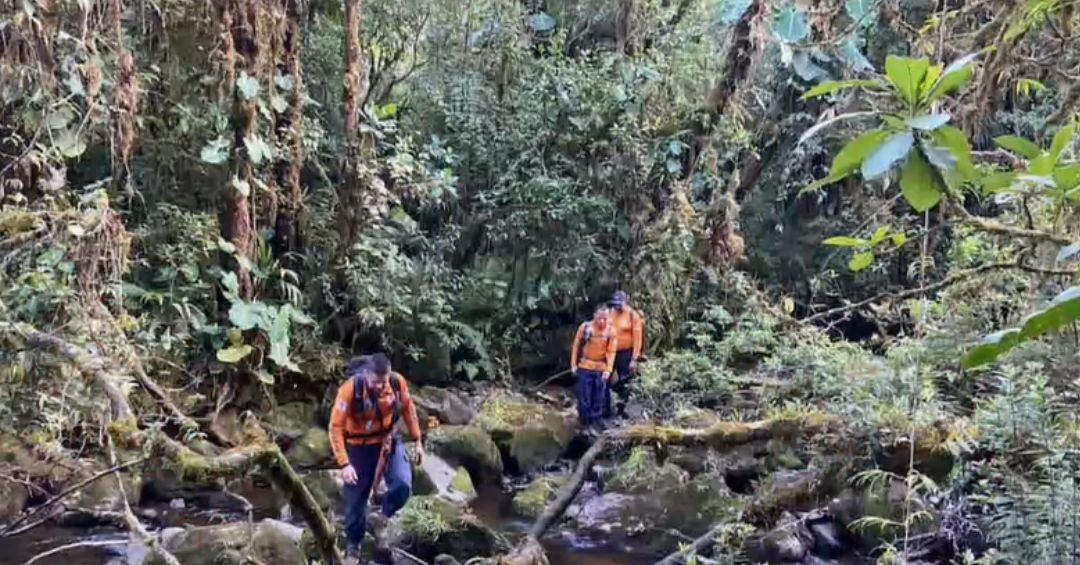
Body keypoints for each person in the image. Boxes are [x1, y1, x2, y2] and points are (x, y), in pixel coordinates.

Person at [329, 353, 424, 564]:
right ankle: (354, 547)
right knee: (355, 502)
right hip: (358, 448)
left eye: (384, 382)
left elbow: (408, 409)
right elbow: (335, 428)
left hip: (388, 441)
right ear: (367, 375)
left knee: (402, 484)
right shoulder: (349, 390)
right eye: (376, 382)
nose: (381, 386)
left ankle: (382, 517)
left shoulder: (397, 383)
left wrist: (418, 440)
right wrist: (344, 464)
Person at [570, 305, 617, 428]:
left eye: (605, 318)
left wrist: (608, 369)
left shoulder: (610, 331)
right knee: (584, 397)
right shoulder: (585, 328)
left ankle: (594, 424)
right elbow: (576, 346)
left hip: (601, 368)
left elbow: (612, 351)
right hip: (585, 366)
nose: (602, 321)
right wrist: (573, 364)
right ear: (594, 315)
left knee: (598, 398)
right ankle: (584, 422)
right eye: (600, 318)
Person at [606, 290, 644, 419]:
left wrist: (634, 358)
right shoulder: (610, 313)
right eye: (615, 304)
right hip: (611, 351)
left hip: (625, 353)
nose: (617, 307)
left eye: (619, 304)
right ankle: (605, 408)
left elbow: (638, 338)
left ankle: (622, 409)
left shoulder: (633, 316)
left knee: (625, 379)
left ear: (625, 302)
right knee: (606, 378)